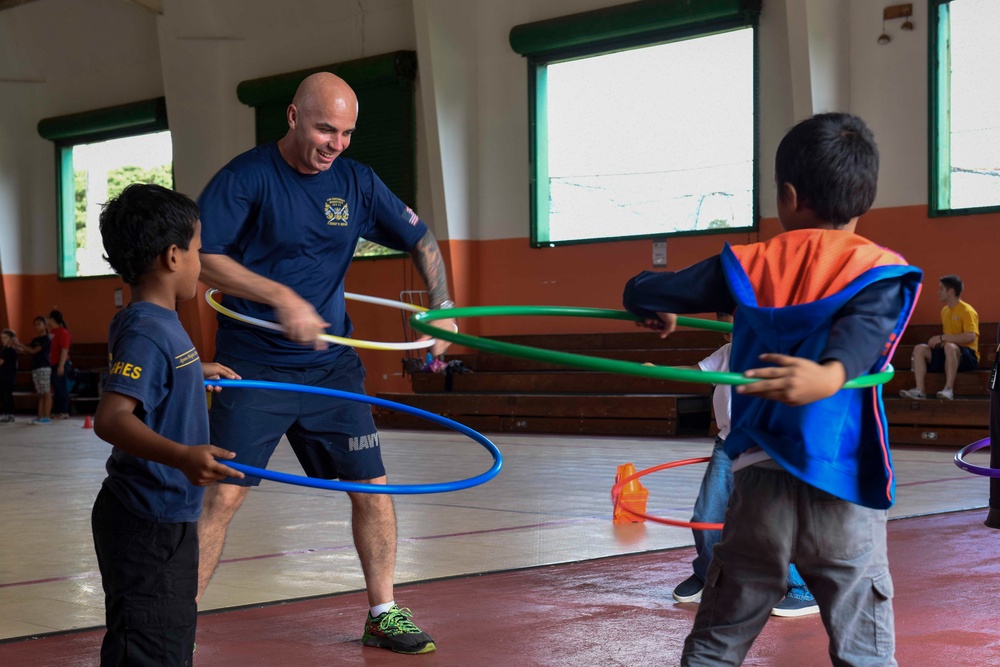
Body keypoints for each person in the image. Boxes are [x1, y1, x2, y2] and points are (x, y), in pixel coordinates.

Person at [623, 112, 922, 665]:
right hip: (843, 487)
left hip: (757, 485)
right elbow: (868, 331)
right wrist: (833, 374)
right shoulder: (882, 270)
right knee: (865, 649)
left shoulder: (747, 263)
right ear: (864, 201)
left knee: (717, 640)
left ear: (787, 196)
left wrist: (651, 303)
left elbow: (648, 286)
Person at [196, 71, 456, 655]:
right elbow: (200, 259)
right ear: (292, 117)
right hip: (254, 364)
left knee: (373, 490)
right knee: (223, 495)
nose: (335, 143)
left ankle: (383, 611)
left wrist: (442, 308)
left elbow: (422, 239)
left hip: (330, 367)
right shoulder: (246, 178)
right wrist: (281, 297)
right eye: (323, 128)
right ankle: (174, 621)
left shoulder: (358, 183)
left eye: (345, 132)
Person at [91, 183, 244, 666]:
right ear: (174, 256)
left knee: (167, 640)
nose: (201, 262)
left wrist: (193, 371)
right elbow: (111, 418)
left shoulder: (152, 321)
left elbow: (150, 377)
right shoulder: (146, 329)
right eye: (198, 250)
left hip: (168, 515)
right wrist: (181, 455)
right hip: (146, 519)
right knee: (151, 648)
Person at [670, 314, 818, 618]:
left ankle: (803, 589)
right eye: (726, 326)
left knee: (771, 519)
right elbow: (695, 373)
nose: (731, 332)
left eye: (737, 322)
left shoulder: (777, 352)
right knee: (706, 515)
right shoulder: (726, 355)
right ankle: (710, 575)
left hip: (769, 448)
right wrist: (656, 370)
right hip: (728, 444)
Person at [899, 274, 979, 400]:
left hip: (967, 357)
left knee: (949, 346)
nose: (938, 292)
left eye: (941, 289)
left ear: (951, 291)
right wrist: (941, 341)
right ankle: (920, 391)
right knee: (920, 348)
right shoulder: (944, 311)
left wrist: (942, 338)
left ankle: (948, 389)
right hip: (949, 353)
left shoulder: (967, 310)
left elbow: (971, 336)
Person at [14, 316, 53, 424]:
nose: (36, 327)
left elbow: (34, 351)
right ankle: (40, 416)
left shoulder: (46, 339)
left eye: (38, 324)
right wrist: (16, 347)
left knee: (46, 392)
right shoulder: (35, 340)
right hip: (36, 367)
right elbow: (27, 351)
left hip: (44, 367)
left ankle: (47, 416)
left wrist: (19, 344)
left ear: (45, 326)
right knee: (40, 393)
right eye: (34, 325)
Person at [47, 309, 71, 419]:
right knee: (55, 388)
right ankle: (57, 411)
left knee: (61, 387)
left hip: (60, 363)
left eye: (49, 319)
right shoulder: (51, 332)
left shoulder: (63, 332)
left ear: (53, 319)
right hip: (52, 363)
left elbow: (64, 349)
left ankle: (64, 411)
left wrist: (61, 365)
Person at [0, 328, 17, 423]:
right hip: (4, 376)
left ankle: (9, 414)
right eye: (2, 338)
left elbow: (1, 362)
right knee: (3, 395)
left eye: (5, 338)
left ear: (11, 339)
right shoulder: (5, 350)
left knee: (7, 395)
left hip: (8, 376)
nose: (3, 340)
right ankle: (6, 413)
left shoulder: (9, 351)